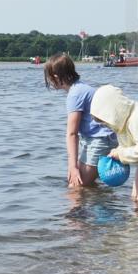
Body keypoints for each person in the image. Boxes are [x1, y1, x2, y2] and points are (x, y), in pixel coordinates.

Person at [43, 54, 116, 187]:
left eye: (49, 77)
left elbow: (72, 133)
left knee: (76, 187)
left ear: (56, 77)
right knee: (86, 186)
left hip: (100, 140)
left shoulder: (75, 94)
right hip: (104, 138)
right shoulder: (80, 87)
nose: (49, 81)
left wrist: (73, 166)